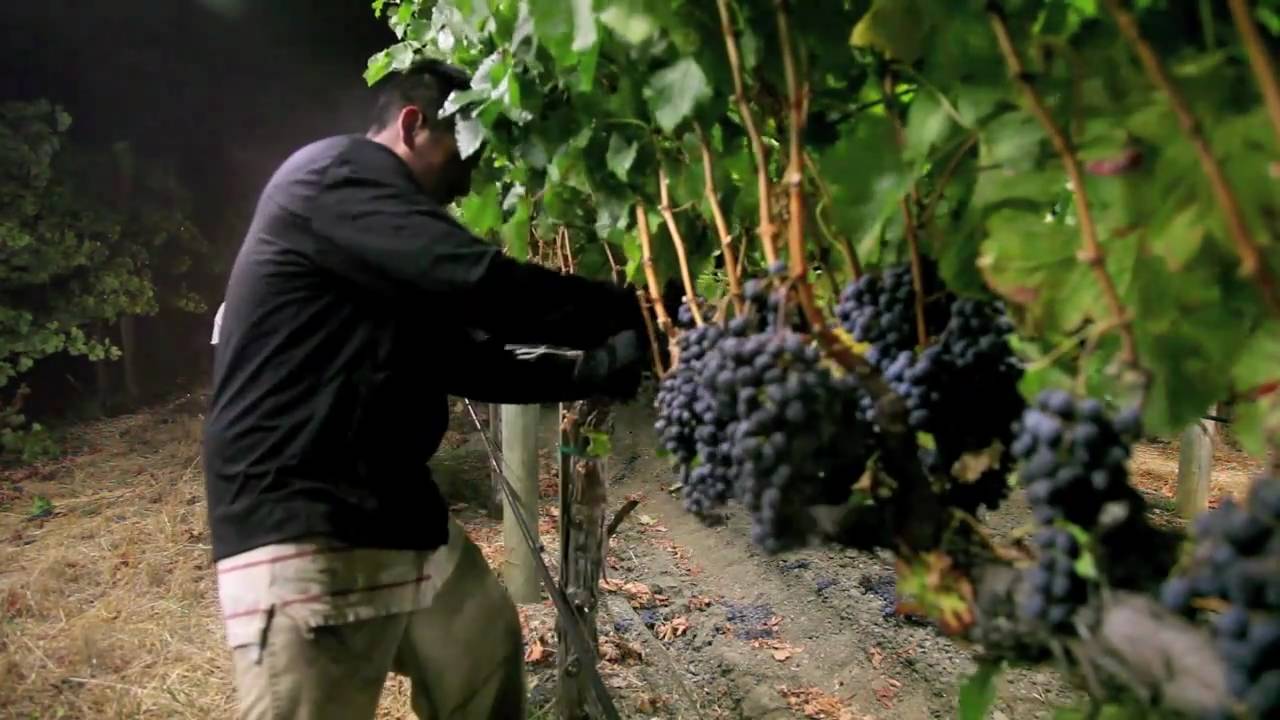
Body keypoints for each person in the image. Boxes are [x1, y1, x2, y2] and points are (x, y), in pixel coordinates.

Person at [202, 58, 653, 720]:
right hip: (301, 518)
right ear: (414, 124)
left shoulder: (380, 252)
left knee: (484, 652)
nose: (468, 174)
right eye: (461, 149)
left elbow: (466, 361)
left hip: (396, 513)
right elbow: (482, 286)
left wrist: (593, 369)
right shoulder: (333, 175)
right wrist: (635, 310)